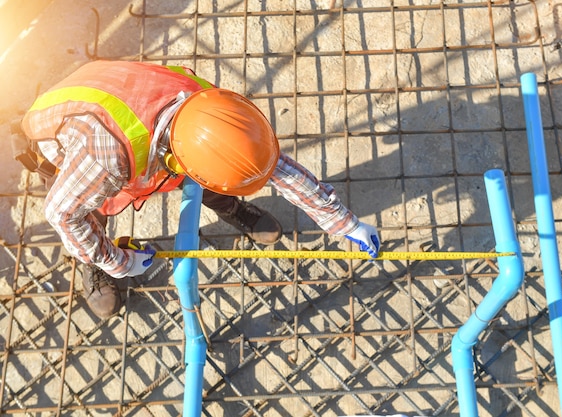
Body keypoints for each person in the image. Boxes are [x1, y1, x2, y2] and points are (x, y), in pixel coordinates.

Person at [17, 60, 380, 318]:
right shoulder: (105, 161)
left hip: (118, 92)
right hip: (69, 134)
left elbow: (272, 166)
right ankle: (93, 265)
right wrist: (117, 261)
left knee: (217, 176)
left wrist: (344, 223)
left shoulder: (209, 106)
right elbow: (62, 213)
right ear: (176, 161)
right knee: (92, 211)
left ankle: (232, 209)